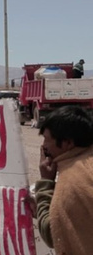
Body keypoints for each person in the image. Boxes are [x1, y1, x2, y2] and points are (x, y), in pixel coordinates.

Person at [34, 105, 93, 254]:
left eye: (47, 140)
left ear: (68, 143)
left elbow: (52, 233)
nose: (43, 146)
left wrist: (46, 184)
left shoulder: (72, 180)